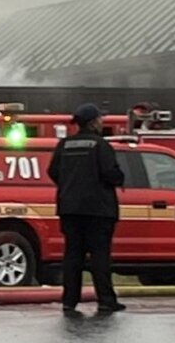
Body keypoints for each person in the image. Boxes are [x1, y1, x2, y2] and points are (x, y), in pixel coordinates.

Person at [48, 102, 127, 314]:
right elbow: (112, 174)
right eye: (100, 119)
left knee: (72, 256)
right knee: (100, 257)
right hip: (98, 211)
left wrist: (70, 186)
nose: (102, 122)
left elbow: (52, 171)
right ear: (93, 123)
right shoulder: (100, 145)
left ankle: (69, 301)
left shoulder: (64, 145)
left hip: (70, 209)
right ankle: (106, 300)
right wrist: (118, 179)